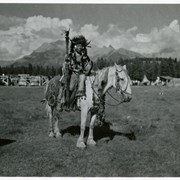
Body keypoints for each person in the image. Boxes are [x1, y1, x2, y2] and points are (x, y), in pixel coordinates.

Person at [57, 34, 93, 111]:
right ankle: (61, 102)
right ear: (75, 47)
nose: (80, 47)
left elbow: (87, 68)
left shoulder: (85, 57)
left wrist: (88, 65)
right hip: (72, 74)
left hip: (82, 74)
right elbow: (64, 66)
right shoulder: (70, 56)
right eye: (79, 46)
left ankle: (80, 103)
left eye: (81, 46)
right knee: (69, 87)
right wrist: (67, 66)